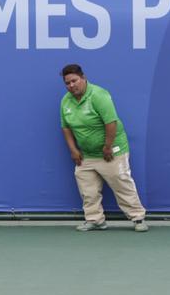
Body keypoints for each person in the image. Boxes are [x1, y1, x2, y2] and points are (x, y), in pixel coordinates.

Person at [60, 64, 148, 232]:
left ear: (83, 78)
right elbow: (66, 128)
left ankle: (138, 218)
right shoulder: (65, 101)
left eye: (74, 81)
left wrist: (108, 146)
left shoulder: (99, 95)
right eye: (67, 83)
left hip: (111, 151)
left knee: (121, 183)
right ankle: (95, 220)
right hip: (86, 155)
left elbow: (111, 122)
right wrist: (73, 150)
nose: (71, 85)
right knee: (88, 189)